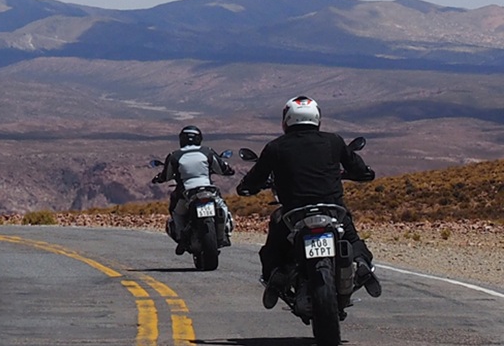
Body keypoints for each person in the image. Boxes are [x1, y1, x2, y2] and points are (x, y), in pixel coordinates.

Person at [236, 95, 382, 309]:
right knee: (351, 237)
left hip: (294, 212)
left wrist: (246, 186)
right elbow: (358, 169)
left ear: (286, 120)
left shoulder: (275, 147)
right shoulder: (334, 141)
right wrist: (363, 173)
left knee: (274, 245)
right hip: (332, 209)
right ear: (317, 118)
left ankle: (276, 274)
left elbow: (255, 178)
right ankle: (361, 264)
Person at [152, 125, 236, 254]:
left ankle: (181, 238)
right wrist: (229, 171)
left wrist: (158, 178)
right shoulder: (207, 152)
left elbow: (166, 175)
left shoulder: (174, 156)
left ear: (182, 139)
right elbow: (223, 168)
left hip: (186, 193)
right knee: (222, 206)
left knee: (176, 213)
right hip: (208, 190)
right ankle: (224, 232)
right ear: (199, 138)